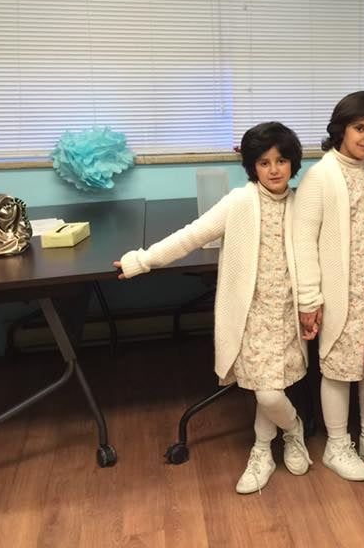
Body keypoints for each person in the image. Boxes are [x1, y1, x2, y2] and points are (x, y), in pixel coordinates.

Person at [114, 122, 311, 495]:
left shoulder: (302, 204)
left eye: (281, 160)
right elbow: (192, 235)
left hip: (288, 315)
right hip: (251, 316)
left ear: (293, 163)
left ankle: (263, 448)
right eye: (264, 162)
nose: (274, 169)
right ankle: (292, 430)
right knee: (267, 390)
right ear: (252, 166)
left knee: (270, 387)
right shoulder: (240, 202)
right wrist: (142, 260)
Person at [292, 91, 364, 483]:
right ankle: (338, 444)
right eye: (360, 128)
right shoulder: (321, 176)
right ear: (341, 128)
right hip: (343, 295)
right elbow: (303, 242)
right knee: (339, 369)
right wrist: (310, 299)